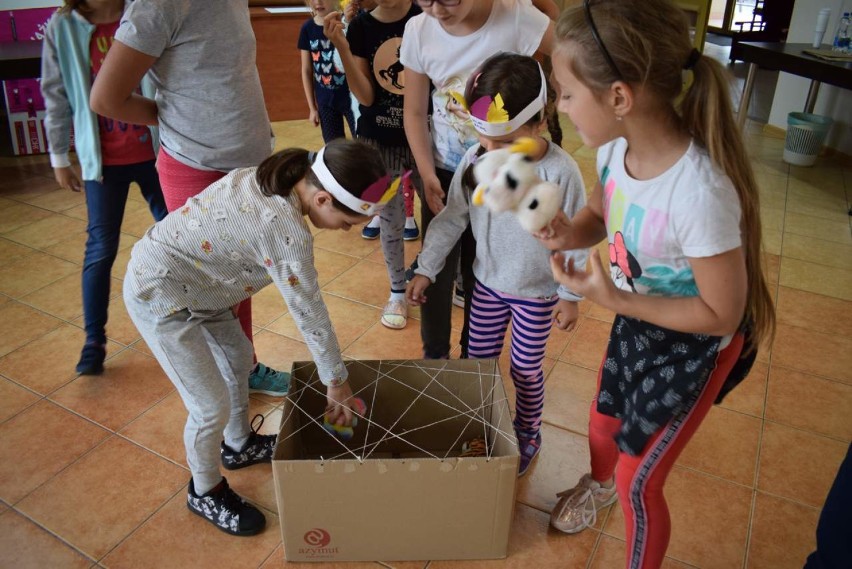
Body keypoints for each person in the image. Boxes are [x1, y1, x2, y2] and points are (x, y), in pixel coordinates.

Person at [538, 2, 776, 567]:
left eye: (567, 93)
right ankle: (593, 489)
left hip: (694, 350)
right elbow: (602, 210)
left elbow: (721, 313)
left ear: (619, 98)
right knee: (601, 428)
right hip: (638, 324)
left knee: (638, 483)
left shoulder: (700, 193)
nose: (560, 106)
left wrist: (617, 298)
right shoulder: (615, 149)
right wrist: (569, 232)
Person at [123, 139, 392, 536]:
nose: (347, 230)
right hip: (160, 295)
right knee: (208, 406)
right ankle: (204, 489)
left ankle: (239, 445)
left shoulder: (274, 175)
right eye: (348, 221)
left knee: (237, 358)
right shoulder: (284, 231)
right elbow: (309, 313)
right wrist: (336, 381)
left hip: (203, 292)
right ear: (321, 199)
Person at [89, 0, 290, 395]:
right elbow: (106, 98)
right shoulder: (157, 5)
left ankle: (243, 369)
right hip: (197, 167)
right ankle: (227, 391)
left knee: (239, 283)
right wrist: (178, 119)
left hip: (246, 164)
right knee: (211, 294)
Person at [406, 53, 587, 475]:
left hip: (537, 295)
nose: (491, 153)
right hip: (486, 286)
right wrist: (426, 267)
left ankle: (528, 431)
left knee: (525, 370)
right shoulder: (473, 160)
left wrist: (571, 296)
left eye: (505, 144)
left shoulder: (561, 173)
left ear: (540, 119)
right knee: (477, 363)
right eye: (485, 141)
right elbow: (452, 219)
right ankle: (477, 422)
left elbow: (576, 238)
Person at [400, 0, 554, 359]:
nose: (436, 10)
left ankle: (475, 357)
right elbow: (414, 110)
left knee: (481, 268)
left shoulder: (515, 15)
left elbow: (569, 54)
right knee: (435, 265)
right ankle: (435, 355)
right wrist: (425, 173)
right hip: (443, 171)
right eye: (425, 0)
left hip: (506, 176)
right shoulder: (418, 30)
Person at [41, 0, 167, 376]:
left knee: (178, 237)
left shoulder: (145, 11)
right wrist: (59, 158)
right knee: (100, 248)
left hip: (158, 155)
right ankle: (93, 338)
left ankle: (193, 320)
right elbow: (56, 94)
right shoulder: (62, 27)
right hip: (103, 164)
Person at [323, 0, 422, 330]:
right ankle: (397, 291)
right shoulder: (362, 28)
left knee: (442, 214)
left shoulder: (426, 15)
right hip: (380, 142)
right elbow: (365, 97)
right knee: (391, 221)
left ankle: (433, 276)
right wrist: (342, 47)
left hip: (427, 137)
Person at [299, 0, 356, 143]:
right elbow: (306, 70)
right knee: (333, 148)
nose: (318, 2)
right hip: (326, 102)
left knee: (362, 142)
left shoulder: (347, 23)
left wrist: (348, 22)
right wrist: (312, 108)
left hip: (352, 98)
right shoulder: (308, 28)